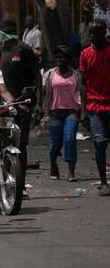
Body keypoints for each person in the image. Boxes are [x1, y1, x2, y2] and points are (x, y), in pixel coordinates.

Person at [0, 18, 41, 190]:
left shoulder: (23, 49)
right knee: (3, 142)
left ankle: (20, 184)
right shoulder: (2, 51)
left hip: (24, 104)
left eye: (0, 32)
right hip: (6, 105)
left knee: (20, 144)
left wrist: (38, 102)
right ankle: (5, 179)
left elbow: (37, 75)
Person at [79, 19, 110, 195]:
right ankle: (103, 182)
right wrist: (83, 109)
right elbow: (82, 83)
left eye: (96, 32)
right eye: (90, 32)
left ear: (104, 32)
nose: (92, 36)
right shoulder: (85, 54)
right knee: (99, 143)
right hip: (95, 106)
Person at [45, 45, 82, 182]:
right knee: (55, 144)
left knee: (70, 139)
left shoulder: (76, 75)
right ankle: (53, 165)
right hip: (55, 113)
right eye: (57, 57)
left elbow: (81, 92)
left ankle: (71, 172)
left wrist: (82, 111)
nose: (59, 60)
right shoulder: (50, 74)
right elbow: (46, 93)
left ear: (68, 59)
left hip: (71, 112)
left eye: (62, 57)